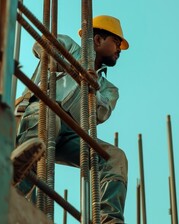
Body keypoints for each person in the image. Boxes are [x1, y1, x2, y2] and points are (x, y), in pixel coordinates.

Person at [12, 15, 129, 224]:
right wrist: (74, 66)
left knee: (114, 157)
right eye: (116, 42)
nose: (119, 49)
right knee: (50, 117)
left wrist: (93, 89)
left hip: (67, 133)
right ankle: (14, 188)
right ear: (99, 39)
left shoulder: (109, 89)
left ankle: (108, 219)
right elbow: (41, 48)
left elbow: (102, 113)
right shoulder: (67, 44)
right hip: (37, 112)